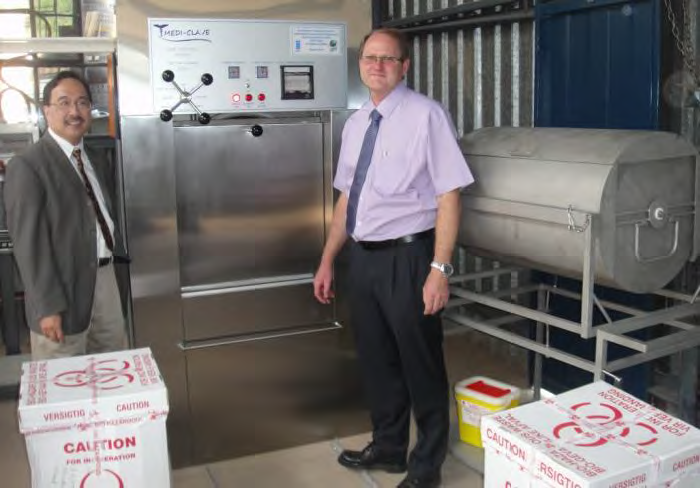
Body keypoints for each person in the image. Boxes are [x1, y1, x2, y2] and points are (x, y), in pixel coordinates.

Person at [313, 28, 474, 488]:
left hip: (409, 258)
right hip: (363, 260)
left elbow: (449, 195)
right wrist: (328, 259)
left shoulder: (427, 116)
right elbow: (348, 197)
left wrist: (439, 270)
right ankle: (388, 448)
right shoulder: (358, 121)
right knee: (377, 358)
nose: (376, 65)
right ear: (360, 64)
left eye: (387, 58)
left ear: (405, 66)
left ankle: (427, 468)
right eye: (369, 57)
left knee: (420, 362)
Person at [5, 70, 127, 360]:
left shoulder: (93, 158)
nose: (75, 111)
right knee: (64, 382)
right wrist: (46, 306)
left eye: (83, 103)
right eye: (64, 102)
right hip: (61, 288)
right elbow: (29, 245)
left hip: (104, 279)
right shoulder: (28, 165)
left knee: (112, 366)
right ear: (47, 111)